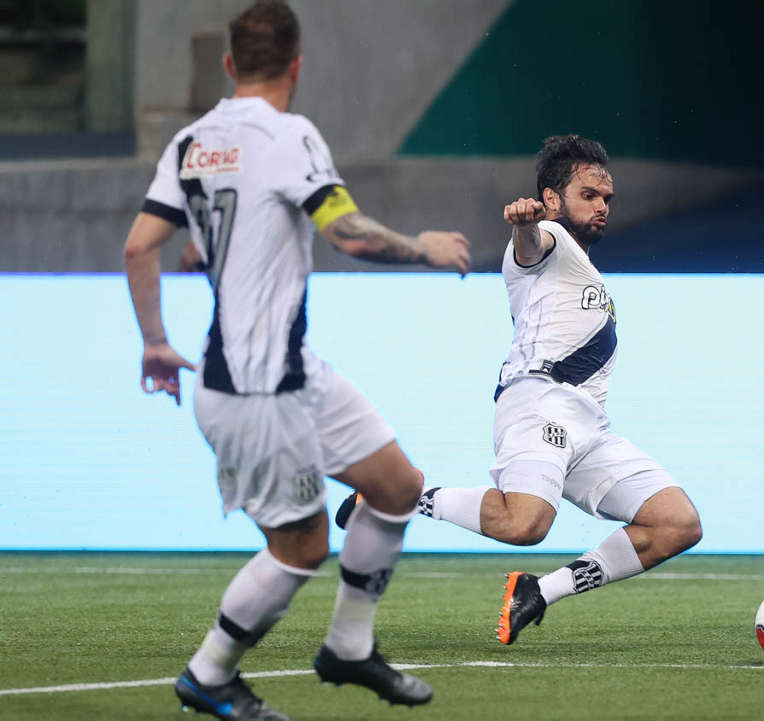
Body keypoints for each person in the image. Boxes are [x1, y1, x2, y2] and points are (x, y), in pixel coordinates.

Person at [122, 2, 471, 717]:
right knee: (303, 544)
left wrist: (155, 341)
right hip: (257, 386)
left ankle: (349, 647)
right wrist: (425, 248)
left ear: (229, 65)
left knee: (397, 485)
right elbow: (351, 234)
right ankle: (209, 673)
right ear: (297, 66)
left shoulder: (191, 142)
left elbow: (141, 247)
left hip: (290, 370)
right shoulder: (290, 135)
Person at [336, 134, 702, 645]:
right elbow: (531, 246)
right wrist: (525, 225)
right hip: (539, 403)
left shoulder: (583, 267)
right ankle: (400, 495)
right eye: (588, 195)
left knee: (677, 523)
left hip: (589, 427)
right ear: (551, 198)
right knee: (523, 525)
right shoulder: (549, 240)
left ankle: (540, 590)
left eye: (606, 197)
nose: (602, 206)